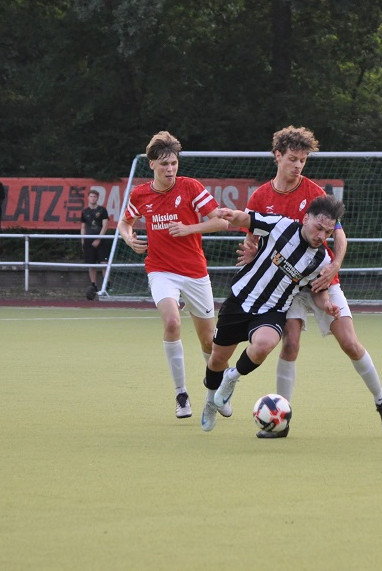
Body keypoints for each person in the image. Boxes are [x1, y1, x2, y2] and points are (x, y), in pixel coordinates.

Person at [237, 125, 382, 438]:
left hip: (321, 277)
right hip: (287, 285)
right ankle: (280, 422)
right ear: (277, 157)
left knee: (350, 343)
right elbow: (253, 238)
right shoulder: (261, 196)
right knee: (291, 343)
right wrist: (250, 250)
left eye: (303, 160)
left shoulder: (313, 192)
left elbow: (339, 235)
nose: (298, 165)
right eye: (293, 159)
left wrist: (334, 265)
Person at [201, 195, 345, 433]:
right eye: (319, 228)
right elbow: (246, 219)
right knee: (217, 359)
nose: (321, 236)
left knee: (264, 344)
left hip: (272, 309)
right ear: (306, 218)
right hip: (240, 300)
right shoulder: (281, 225)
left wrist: (327, 304)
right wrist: (231, 215)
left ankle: (232, 378)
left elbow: (318, 292)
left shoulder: (323, 260)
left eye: (328, 233)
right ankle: (209, 402)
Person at [117, 131, 231, 420]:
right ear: (152, 164)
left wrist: (189, 229)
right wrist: (129, 239)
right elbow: (124, 222)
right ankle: (181, 394)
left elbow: (221, 222)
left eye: (174, 163)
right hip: (160, 270)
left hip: (194, 272)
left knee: (209, 342)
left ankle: (214, 395)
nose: (170, 169)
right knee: (171, 321)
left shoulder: (190, 187)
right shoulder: (141, 194)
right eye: (164, 164)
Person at [80, 189, 110, 299]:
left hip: (101, 241)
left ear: (97, 198)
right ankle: (94, 285)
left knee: (103, 263)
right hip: (88, 241)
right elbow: (83, 227)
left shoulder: (102, 210)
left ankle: (107, 284)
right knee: (91, 264)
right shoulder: (85, 212)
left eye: (94, 196)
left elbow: (105, 225)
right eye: (91, 196)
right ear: (88, 198)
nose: (93, 198)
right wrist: (83, 240)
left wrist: (99, 239)